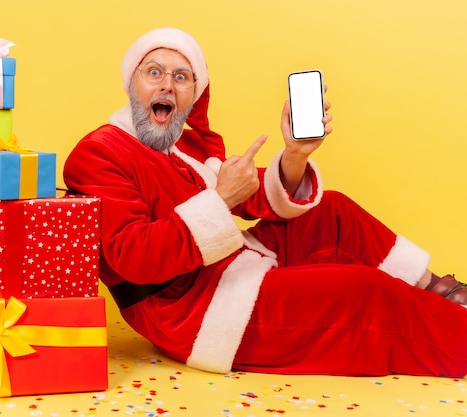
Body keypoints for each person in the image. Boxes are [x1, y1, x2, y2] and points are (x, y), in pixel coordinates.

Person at [64, 27, 467, 377]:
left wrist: (294, 153)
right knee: (366, 291)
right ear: (132, 83)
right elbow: (132, 257)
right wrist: (221, 200)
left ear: (193, 95)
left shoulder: (183, 147)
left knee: (333, 210)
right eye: (154, 72)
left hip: (226, 269)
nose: (167, 84)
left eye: (181, 77)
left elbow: (253, 195)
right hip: (191, 312)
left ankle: (441, 292)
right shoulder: (99, 153)